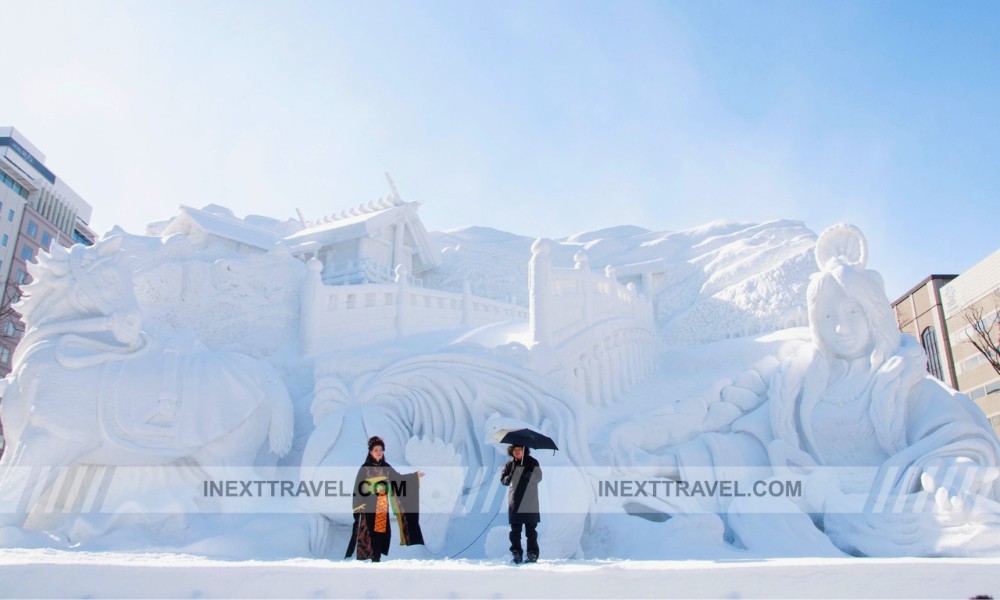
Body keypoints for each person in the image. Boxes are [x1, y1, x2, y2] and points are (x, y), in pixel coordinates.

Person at [345, 436, 425, 562]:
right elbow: (358, 489)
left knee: (380, 535)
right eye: (376, 450)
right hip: (368, 507)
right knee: (368, 535)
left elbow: (398, 479)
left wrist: (414, 477)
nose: (379, 452)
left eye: (381, 450)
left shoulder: (386, 468)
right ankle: (366, 565)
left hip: (382, 505)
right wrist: (360, 505)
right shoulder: (365, 468)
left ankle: (376, 561)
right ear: (371, 452)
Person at [500, 445, 542, 563]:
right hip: (515, 501)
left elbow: (538, 477)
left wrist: (526, 473)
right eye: (515, 450)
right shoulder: (509, 465)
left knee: (531, 531)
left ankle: (532, 554)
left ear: (524, 450)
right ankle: (516, 554)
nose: (517, 452)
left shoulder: (533, 462)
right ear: (511, 451)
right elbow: (503, 480)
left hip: (530, 501)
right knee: (515, 531)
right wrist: (511, 475)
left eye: (520, 450)